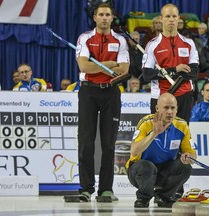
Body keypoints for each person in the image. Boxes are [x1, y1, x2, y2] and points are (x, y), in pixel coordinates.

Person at [76, 3, 130, 202]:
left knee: (108, 144)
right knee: (86, 142)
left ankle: (106, 190)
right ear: (95, 18)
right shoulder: (85, 38)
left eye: (108, 14)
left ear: (113, 17)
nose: (105, 17)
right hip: (88, 92)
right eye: (101, 14)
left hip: (111, 93)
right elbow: (83, 66)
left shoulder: (120, 41)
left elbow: (123, 70)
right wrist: (109, 64)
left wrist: (97, 65)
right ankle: (86, 188)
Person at [126, 93, 197, 208]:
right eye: (166, 108)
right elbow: (134, 151)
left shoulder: (182, 125)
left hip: (165, 171)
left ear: (177, 109)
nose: (169, 112)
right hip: (140, 171)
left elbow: (193, 156)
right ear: (157, 109)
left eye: (172, 108)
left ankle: (164, 197)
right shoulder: (146, 123)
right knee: (147, 167)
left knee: (185, 167)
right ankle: (143, 198)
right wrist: (154, 134)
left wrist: (189, 157)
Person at [142, 3, 199, 124]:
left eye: (174, 16)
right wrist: (175, 70)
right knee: (159, 136)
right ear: (161, 19)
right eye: (167, 16)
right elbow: (147, 74)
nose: (171, 20)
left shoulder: (189, 43)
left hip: (184, 97)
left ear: (179, 18)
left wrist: (169, 73)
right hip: (160, 96)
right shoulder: (152, 45)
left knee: (182, 136)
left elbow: (194, 72)